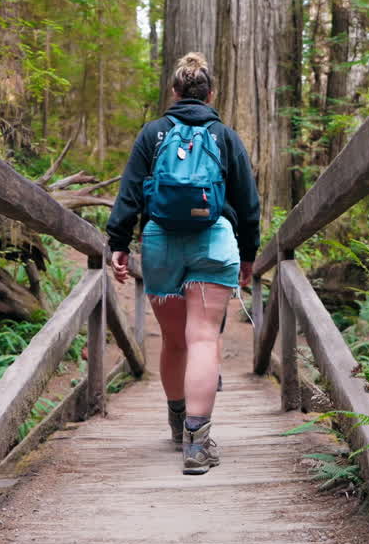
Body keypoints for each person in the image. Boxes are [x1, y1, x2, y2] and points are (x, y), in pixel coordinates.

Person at [107, 52, 261, 475]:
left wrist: (118, 242)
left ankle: (177, 424)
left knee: (175, 341)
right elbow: (248, 203)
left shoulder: (153, 134)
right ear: (211, 94)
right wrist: (248, 254)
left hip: (160, 241)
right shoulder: (225, 137)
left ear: (173, 93)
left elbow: (131, 193)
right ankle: (197, 444)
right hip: (214, 239)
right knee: (204, 337)